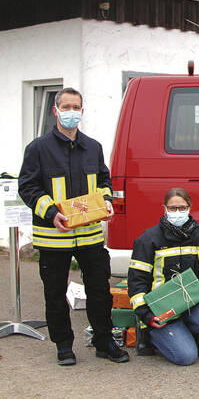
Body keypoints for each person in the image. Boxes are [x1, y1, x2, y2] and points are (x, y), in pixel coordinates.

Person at [18, 87, 129, 366]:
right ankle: (64, 346)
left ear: (82, 110)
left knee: (100, 291)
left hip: (90, 236)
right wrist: (51, 213)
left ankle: (103, 341)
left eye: (75, 107)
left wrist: (105, 202)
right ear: (55, 111)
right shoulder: (38, 148)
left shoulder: (92, 147)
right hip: (54, 236)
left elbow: (105, 182)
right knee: (55, 294)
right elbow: (28, 187)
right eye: (65, 107)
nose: (70, 112)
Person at [128, 188, 199, 365]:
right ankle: (149, 333)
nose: (177, 212)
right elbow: (136, 283)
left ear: (189, 208)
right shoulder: (148, 239)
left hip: (187, 305)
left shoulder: (198, 235)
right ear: (164, 209)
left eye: (182, 208)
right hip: (161, 312)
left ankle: (180, 333)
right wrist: (146, 316)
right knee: (186, 357)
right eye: (172, 208)